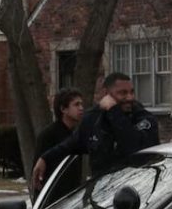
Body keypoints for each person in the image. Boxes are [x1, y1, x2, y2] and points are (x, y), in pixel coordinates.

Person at [31, 72, 164, 187]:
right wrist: (44, 158)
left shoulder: (144, 119)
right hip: (103, 196)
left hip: (139, 193)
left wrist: (114, 111)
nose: (129, 97)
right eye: (123, 93)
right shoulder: (94, 119)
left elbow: (133, 146)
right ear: (107, 94)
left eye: (131, 92)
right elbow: (71, 144)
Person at [32, 88, 86, 204]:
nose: (81, 108)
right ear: (63, 109)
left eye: (81, 104)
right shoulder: (48, 135)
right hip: (52, 201)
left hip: (72, 199)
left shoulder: (76, 134)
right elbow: (38, 174)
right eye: (76, 104)